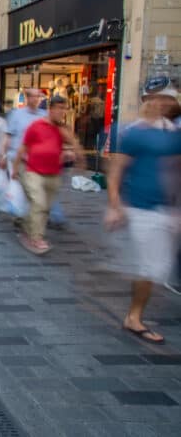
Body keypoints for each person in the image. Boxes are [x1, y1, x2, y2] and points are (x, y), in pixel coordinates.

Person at [104, 82, 181, 344]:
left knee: (158, 268)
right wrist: (115, 206)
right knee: (149, 267)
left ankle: (135, 308)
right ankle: (134, 317)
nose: (160, 104)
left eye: (166, 100)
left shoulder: (174, 135)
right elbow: (116, 172)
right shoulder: (134, 134)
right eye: (155, 99)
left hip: (164, 209)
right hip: (138, 207)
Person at [12, 96, 81, 254]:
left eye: (65, 109)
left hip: (54, 173)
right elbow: (23, 148)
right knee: (39, 203)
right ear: (51, 109)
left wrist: (70, 152)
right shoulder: (36, 126)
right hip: (33, 171)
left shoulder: (63, 129)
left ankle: (26, 226)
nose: (62, 112)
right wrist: (15, 168)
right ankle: (37, 238)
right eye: (59, 108)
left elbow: (71, 146)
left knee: (45, 208)